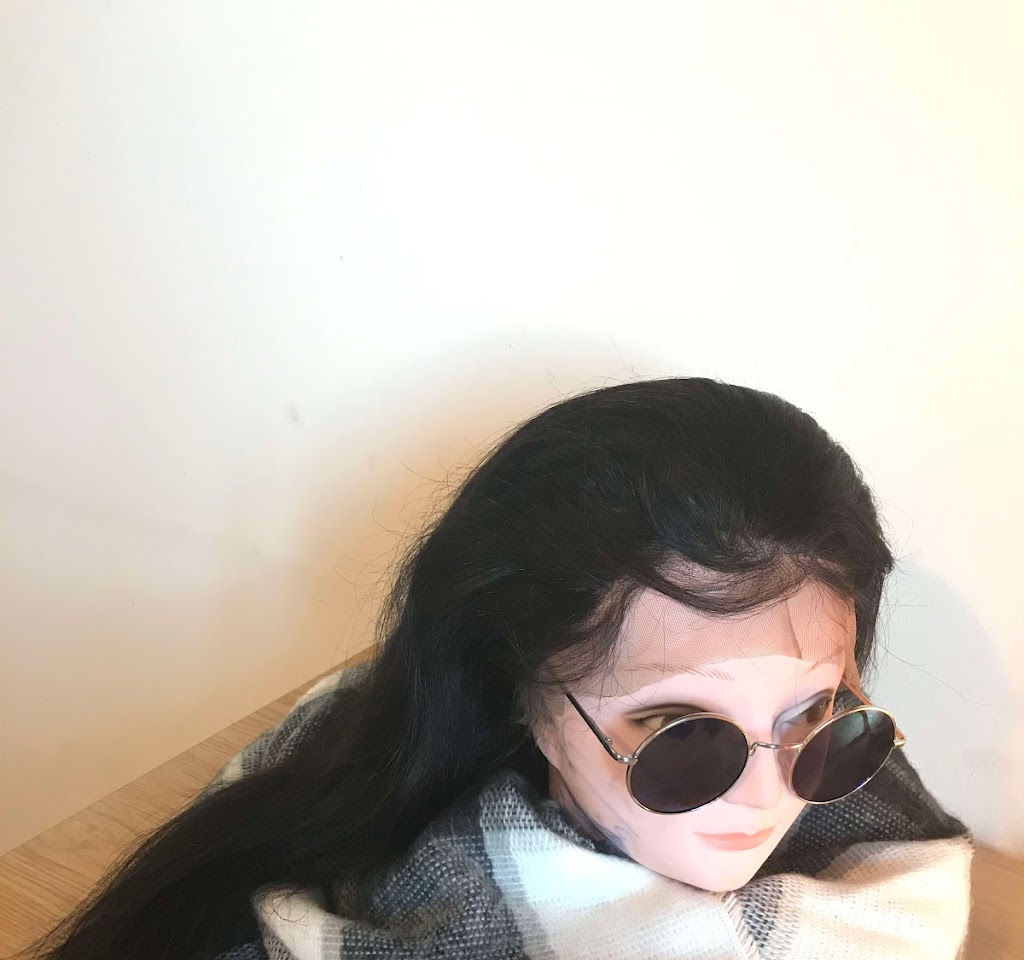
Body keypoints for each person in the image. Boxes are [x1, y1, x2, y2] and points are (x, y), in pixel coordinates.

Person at [28, 378, 972, 960]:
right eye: (683, 740)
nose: (766, 795)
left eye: (821, 718)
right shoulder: (373, 895)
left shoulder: (894, 885)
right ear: (527, 689)